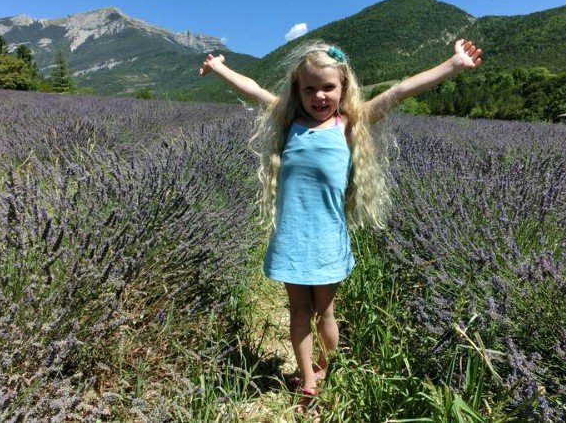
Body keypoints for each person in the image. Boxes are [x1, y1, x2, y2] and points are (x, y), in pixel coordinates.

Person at [199, 39, 482, 415]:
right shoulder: (288, 122)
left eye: (328, 87)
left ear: (343, 89)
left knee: (324, 314)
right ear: (297, 91)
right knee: (298, 313)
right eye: (309, 88)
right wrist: (218, 68)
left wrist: (454, 64)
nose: (319, 96)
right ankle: (309, 381)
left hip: (330, 238)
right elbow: (252, 89)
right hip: (291, 239)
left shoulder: (349, 124)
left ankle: (328, 370)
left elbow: (399, 90)